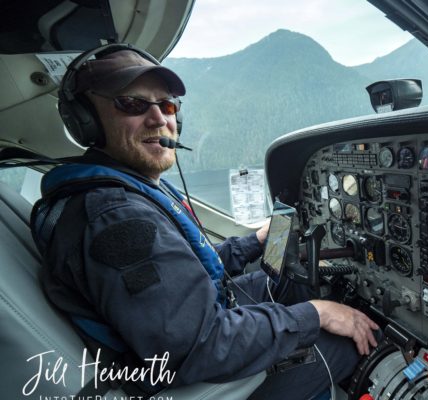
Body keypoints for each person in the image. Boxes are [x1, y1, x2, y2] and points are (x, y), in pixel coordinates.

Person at [30, 44, 379, 400]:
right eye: (131, 104)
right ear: (86, 119)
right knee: (343, 344)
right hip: (191, 372)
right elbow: (201, 345)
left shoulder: (120, 189)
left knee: (291, 275)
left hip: (190, 319)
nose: (159, 120)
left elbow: (176, 268)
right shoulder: (116, 217)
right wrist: (316, 315)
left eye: (166, 106)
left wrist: (253, 242)